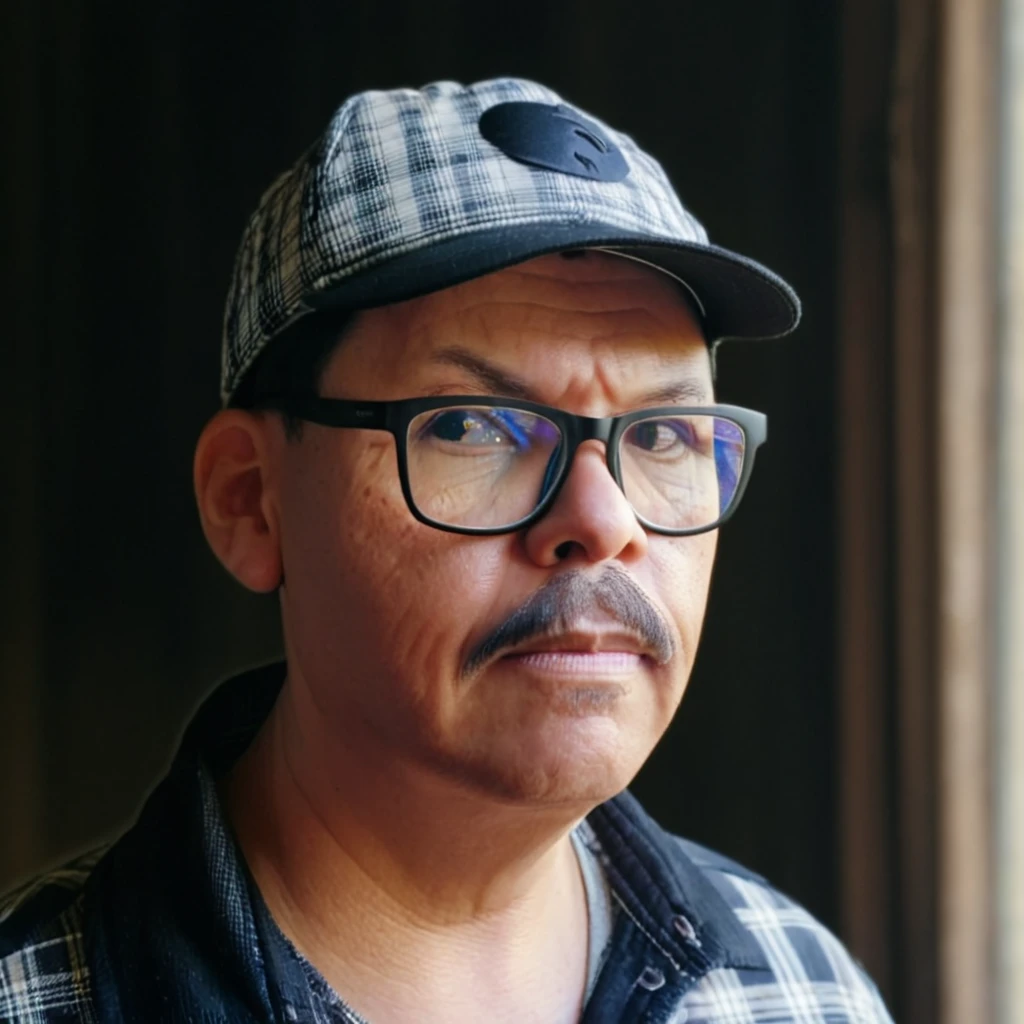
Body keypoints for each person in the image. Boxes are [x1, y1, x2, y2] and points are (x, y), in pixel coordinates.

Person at [0, 77, 893, 1023]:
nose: (604, 521)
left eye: (666, 434)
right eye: (474, 426)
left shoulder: (803, 992)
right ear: (249, 501)